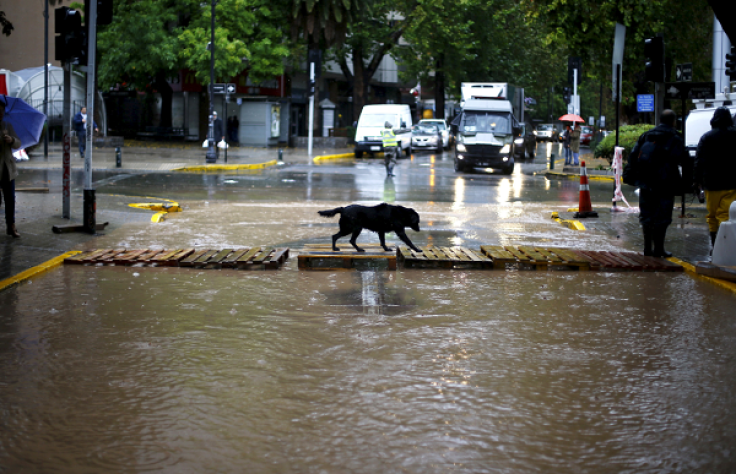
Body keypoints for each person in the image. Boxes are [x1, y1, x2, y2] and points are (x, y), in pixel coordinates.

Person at [628, 109, 688, 257]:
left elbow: (633, 156)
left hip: (646, 182)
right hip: (666, 183)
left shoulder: (646, 135)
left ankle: (647, 248)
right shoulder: (675, 138)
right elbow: (684, 160)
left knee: (647, 215)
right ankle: (659, 249)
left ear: (659, 120)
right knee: (663, 216)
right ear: (673, 121)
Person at [694, 106, 736, 253]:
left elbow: (699, 161)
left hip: (711, 183)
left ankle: (715, 246)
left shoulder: (706, 137)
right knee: (725, 214)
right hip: (732, 183)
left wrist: (697, 182)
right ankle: (725, 246)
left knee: (712, 215)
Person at [0, 101, 22, 237]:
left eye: (2, 110)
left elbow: (18, 143)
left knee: (10, 199)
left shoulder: (7, 125)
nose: (0, 113)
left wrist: (12, 139)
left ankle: (11, 226)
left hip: (8, 168)